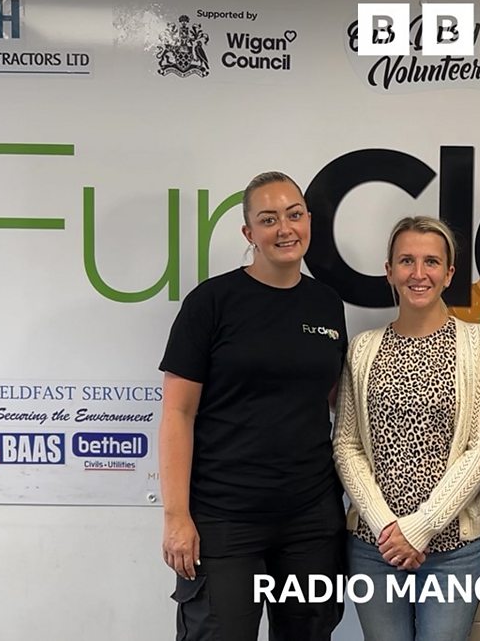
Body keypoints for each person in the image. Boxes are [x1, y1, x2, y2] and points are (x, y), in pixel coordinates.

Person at [158, 171, 347, 640]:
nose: (285, 229)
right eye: (268, 219)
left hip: (310, 519)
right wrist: (176, 516)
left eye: (294, 215)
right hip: (225, 518)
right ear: (249, 233)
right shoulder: (212, 302)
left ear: (308, 220)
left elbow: (331, 402)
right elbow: (178, 413)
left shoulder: (326, 304)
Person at [333, 216, 480, 641]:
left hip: (454, 551)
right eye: (406, 261)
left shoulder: (476, 344)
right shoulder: (363, 348)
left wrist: (420, 528)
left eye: (431, 262)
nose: (418, 273)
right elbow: (347, 445)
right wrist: (386, 527)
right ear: (389, 271)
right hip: (376, 547)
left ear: (449, 273)